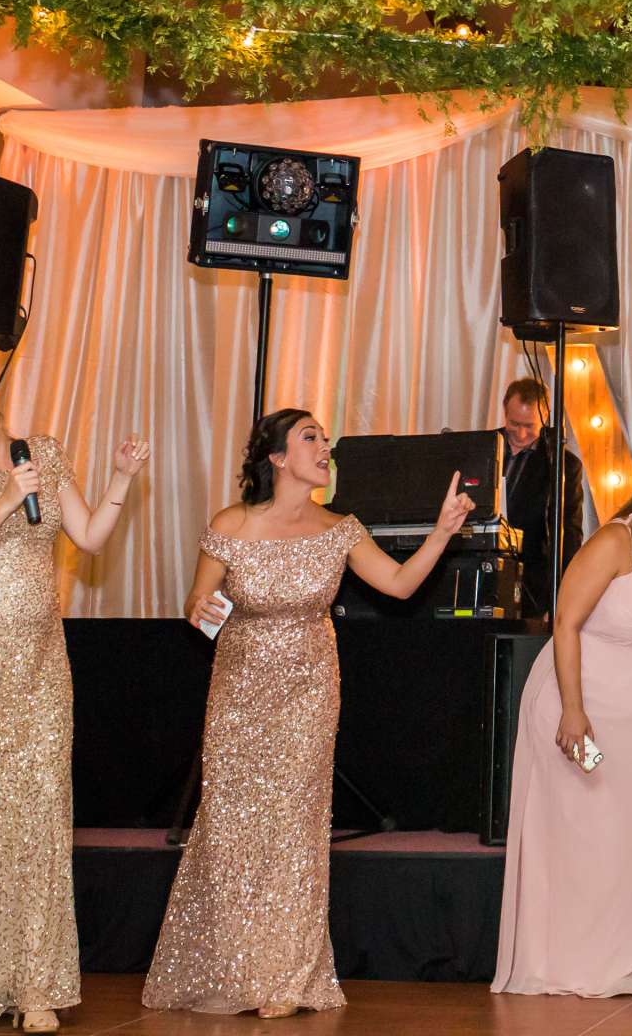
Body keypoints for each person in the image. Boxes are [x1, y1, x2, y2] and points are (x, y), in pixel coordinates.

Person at [144, 408, 474, 1019]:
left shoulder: (340, 528)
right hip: (239, 694)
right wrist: (202, 609)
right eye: (310, 437)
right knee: (236, 832)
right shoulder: (232, 523)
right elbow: (199, 598)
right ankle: (239, 969)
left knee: (296, 831)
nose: (325, 446)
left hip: (309, 693)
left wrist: (442, 530)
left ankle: (286, 977)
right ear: (276, 458)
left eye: (325, 438)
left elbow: (400, 586)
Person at [0, 384, 147, 1033]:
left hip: (40, 668)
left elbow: (90, 536)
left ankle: (34, 986)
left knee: (38, 821)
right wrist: (7, 500)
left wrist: (120, 478)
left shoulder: (40, 452)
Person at [494, 435, 632, 997]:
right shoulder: (615, 541)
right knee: (582, 834)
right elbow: (565, 623)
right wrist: (573, 710)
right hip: (582, 700)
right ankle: (568, 961)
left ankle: (623, 957)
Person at [495, 377, 587, 616]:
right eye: (514, 423)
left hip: (532, 587)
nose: (522, 434)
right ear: (504, 411)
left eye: (530, 426)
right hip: (482, 571)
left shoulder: (564, 465)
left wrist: (563, 595)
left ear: (545, 418)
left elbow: (570, 533)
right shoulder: (481, 446)